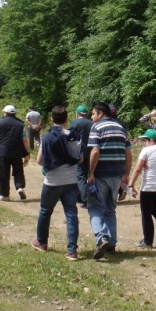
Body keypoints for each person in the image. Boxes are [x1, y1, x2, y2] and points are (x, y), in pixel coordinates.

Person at [31, 106, 84, 260]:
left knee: (45, 211)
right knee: (71, 214)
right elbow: (80, 159)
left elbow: (40, 161)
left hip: (52, 182)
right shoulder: (74, 136)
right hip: (71, 182)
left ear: (52, 119)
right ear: (67, 119)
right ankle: (72, 251)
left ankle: (42, 242)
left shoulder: (47, 137)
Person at [87, 101, 132, 260]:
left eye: (93, 114)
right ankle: (111, 243)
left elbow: (95, 152)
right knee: (110, 210)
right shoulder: (121, 128)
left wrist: (91, 173)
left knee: (95, 208)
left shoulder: (97, 127)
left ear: (100, 114)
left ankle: (101, 237)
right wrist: (126, 174)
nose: (92, 117)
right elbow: (128, 153)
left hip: (100, 175)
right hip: (117, 176)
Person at [128, 128, 156, 249]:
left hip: (148, 187)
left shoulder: (146, 150)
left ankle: (148, 241)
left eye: (145, 140)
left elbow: (138, 169)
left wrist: (131, 184)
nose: (144, 143)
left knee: (146, 214)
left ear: (151, 140)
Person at [0, 105, 31, 201]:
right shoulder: (21, 124)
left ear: (5, 113)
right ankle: (20, 187)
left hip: (3, 152)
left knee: (3, 173)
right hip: (17, 152)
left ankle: (5, 195)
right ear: (15, 114)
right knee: (18, 171)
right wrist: (27, 152)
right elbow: (25, 140)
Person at [68, 105, 93, 207]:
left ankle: (85, 199)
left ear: (77, 113)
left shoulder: (74, 123)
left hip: (79, 153)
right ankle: (85, 196)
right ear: (86, 114)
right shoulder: (92, 124)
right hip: (91, 152)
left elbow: (69, 137)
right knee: (89, 175)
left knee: (80, 175)